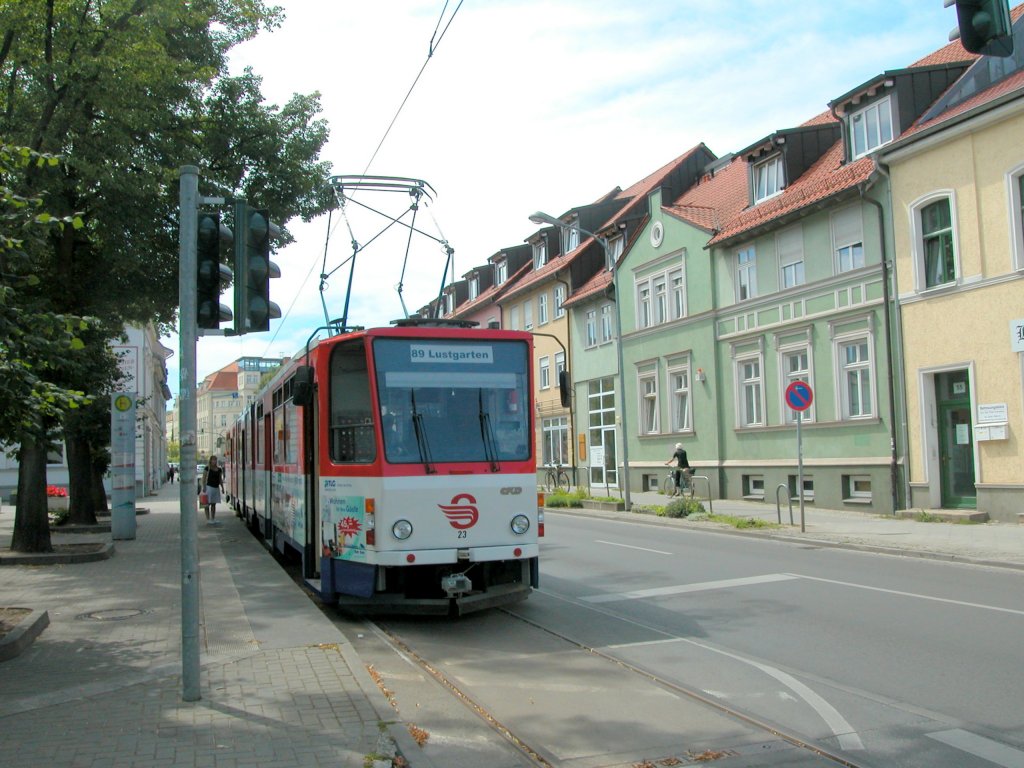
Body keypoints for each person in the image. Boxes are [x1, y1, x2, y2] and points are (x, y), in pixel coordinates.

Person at [202, 455, 225, 525]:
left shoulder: (219, 469)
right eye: (213, 460)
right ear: (210, 460)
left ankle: (213, 518)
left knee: (213, 504)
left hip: (216, 488)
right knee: (206, 504)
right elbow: (204, 478)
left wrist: (222, 488)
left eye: (215, 460)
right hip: (209, 487)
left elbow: (220, 479)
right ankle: (208, 519)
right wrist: (204, 487)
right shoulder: (207, 468)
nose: (214, 461)